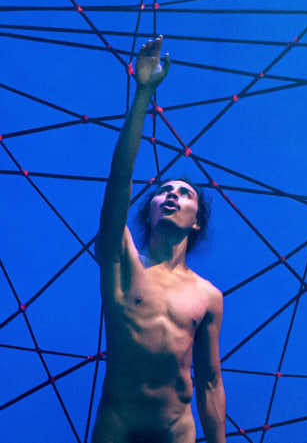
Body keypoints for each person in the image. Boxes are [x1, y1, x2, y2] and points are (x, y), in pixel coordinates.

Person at [95, 36, 226, 443]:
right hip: (119, 425)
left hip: (176, 429)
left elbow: (210, 382)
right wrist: (143, 95)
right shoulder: (121, 261)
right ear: (148, 210)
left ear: (196, 222)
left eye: (184, 193)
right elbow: (119, 180)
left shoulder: (209, 296)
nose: (171, 195)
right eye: (163, 191)